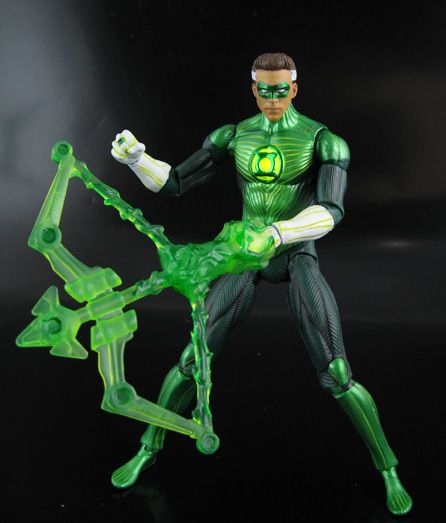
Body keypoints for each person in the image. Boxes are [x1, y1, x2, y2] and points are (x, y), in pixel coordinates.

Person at [110, 52, 412, 515]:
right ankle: (148, 449)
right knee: (192, 359)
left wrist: (279, 233)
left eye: (281, 89)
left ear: (294, 89)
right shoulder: (233, 136)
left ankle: (388, 468)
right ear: (253, 89)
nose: (273, 98)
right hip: (244, 256)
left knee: (337, 372)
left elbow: (332, 211)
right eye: (265, 90)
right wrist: (137, 160)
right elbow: (174, 183)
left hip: (295, 254)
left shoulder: (324, 141)